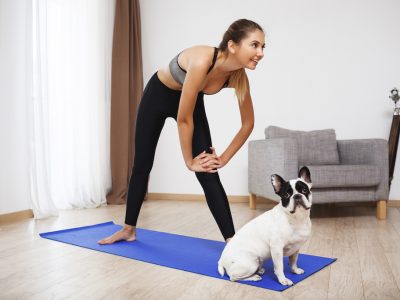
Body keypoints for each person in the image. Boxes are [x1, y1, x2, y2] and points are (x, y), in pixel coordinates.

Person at [98, 19, 265, 244]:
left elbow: (248, 124)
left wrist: (223, 158)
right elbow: (183, 119)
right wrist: (189, 160)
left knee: (208, 169)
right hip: (157, 96)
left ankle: (231, 241)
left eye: (263, 47)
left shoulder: (238, 77)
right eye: (254, 45)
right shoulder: (202, 60)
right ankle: (128, 229)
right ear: (233, 45)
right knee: (142, 165)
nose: (260, 52)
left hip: (191, 103)